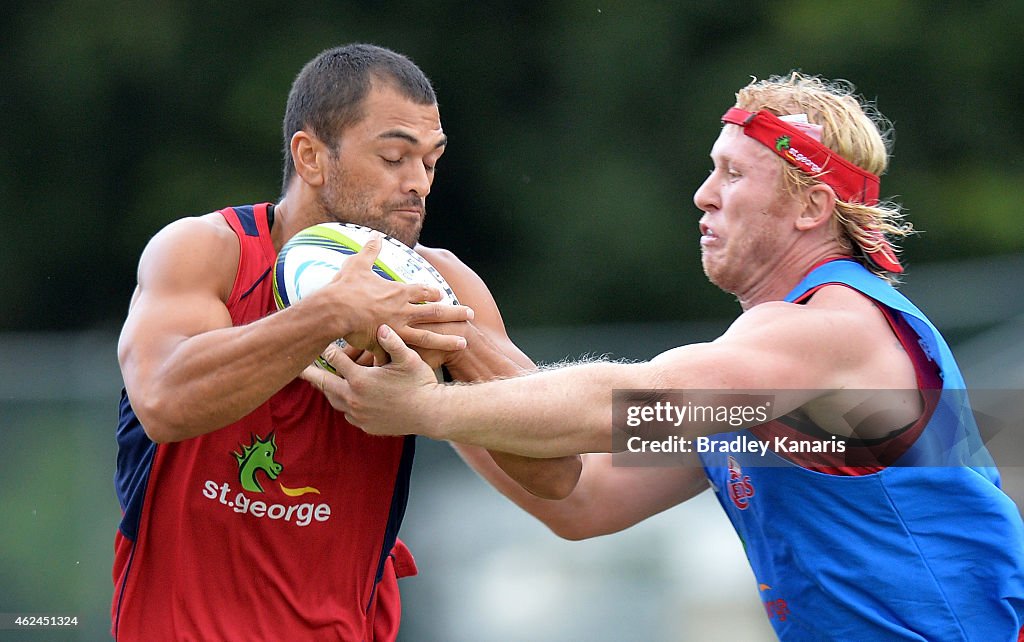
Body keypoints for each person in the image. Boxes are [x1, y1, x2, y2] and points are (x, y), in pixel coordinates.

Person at [318, 72, 1024, 639]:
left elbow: (616, 405)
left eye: (732, 175)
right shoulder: (763, 393)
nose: (702, 195)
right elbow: (581, 498)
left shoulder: (829, 332)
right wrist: (451, 345)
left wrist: (428, 407)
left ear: (810, 208)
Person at [113, 43, 579, 641]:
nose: (419, 185)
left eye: (430, 163)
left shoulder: (444, 287)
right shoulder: (208, 251)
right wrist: (329, 312)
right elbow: (163, 399)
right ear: (310, 157)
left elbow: (560, 475)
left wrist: (455, 347)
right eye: (393, 157)